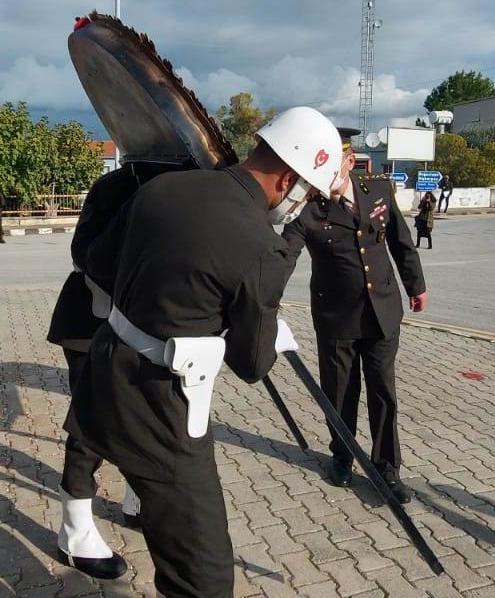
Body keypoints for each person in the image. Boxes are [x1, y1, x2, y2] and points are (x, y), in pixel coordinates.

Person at [66, 107, 343, 597]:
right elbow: (252, 364)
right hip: (160, 410)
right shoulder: (264, 249)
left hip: (104, 374)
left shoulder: (163, 188)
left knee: (160, 518)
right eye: (307, 196)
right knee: (204, 577)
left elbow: (100, 262)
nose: (303, 208)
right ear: (287, 180)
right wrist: (263, 324)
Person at [48, 161, 188, 581]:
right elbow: (85, 254)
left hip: (149, 327)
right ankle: (73, 530)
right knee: (94, 425)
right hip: (93, 322)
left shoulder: (182, 183)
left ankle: (136, 502)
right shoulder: (116, 185)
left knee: (146, 419)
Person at [281, 134, 427, 505]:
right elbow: (285, 256)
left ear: (348, 163)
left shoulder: (376, 189)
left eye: (332, 167)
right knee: (340, 392)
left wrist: (416, 285)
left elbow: (399, 239)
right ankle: (342, 456)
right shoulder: (307, 207)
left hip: (382, 311)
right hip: (336, 317)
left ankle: (386, 467)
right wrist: (266, 299)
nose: (324, 177)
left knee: (383, 392)